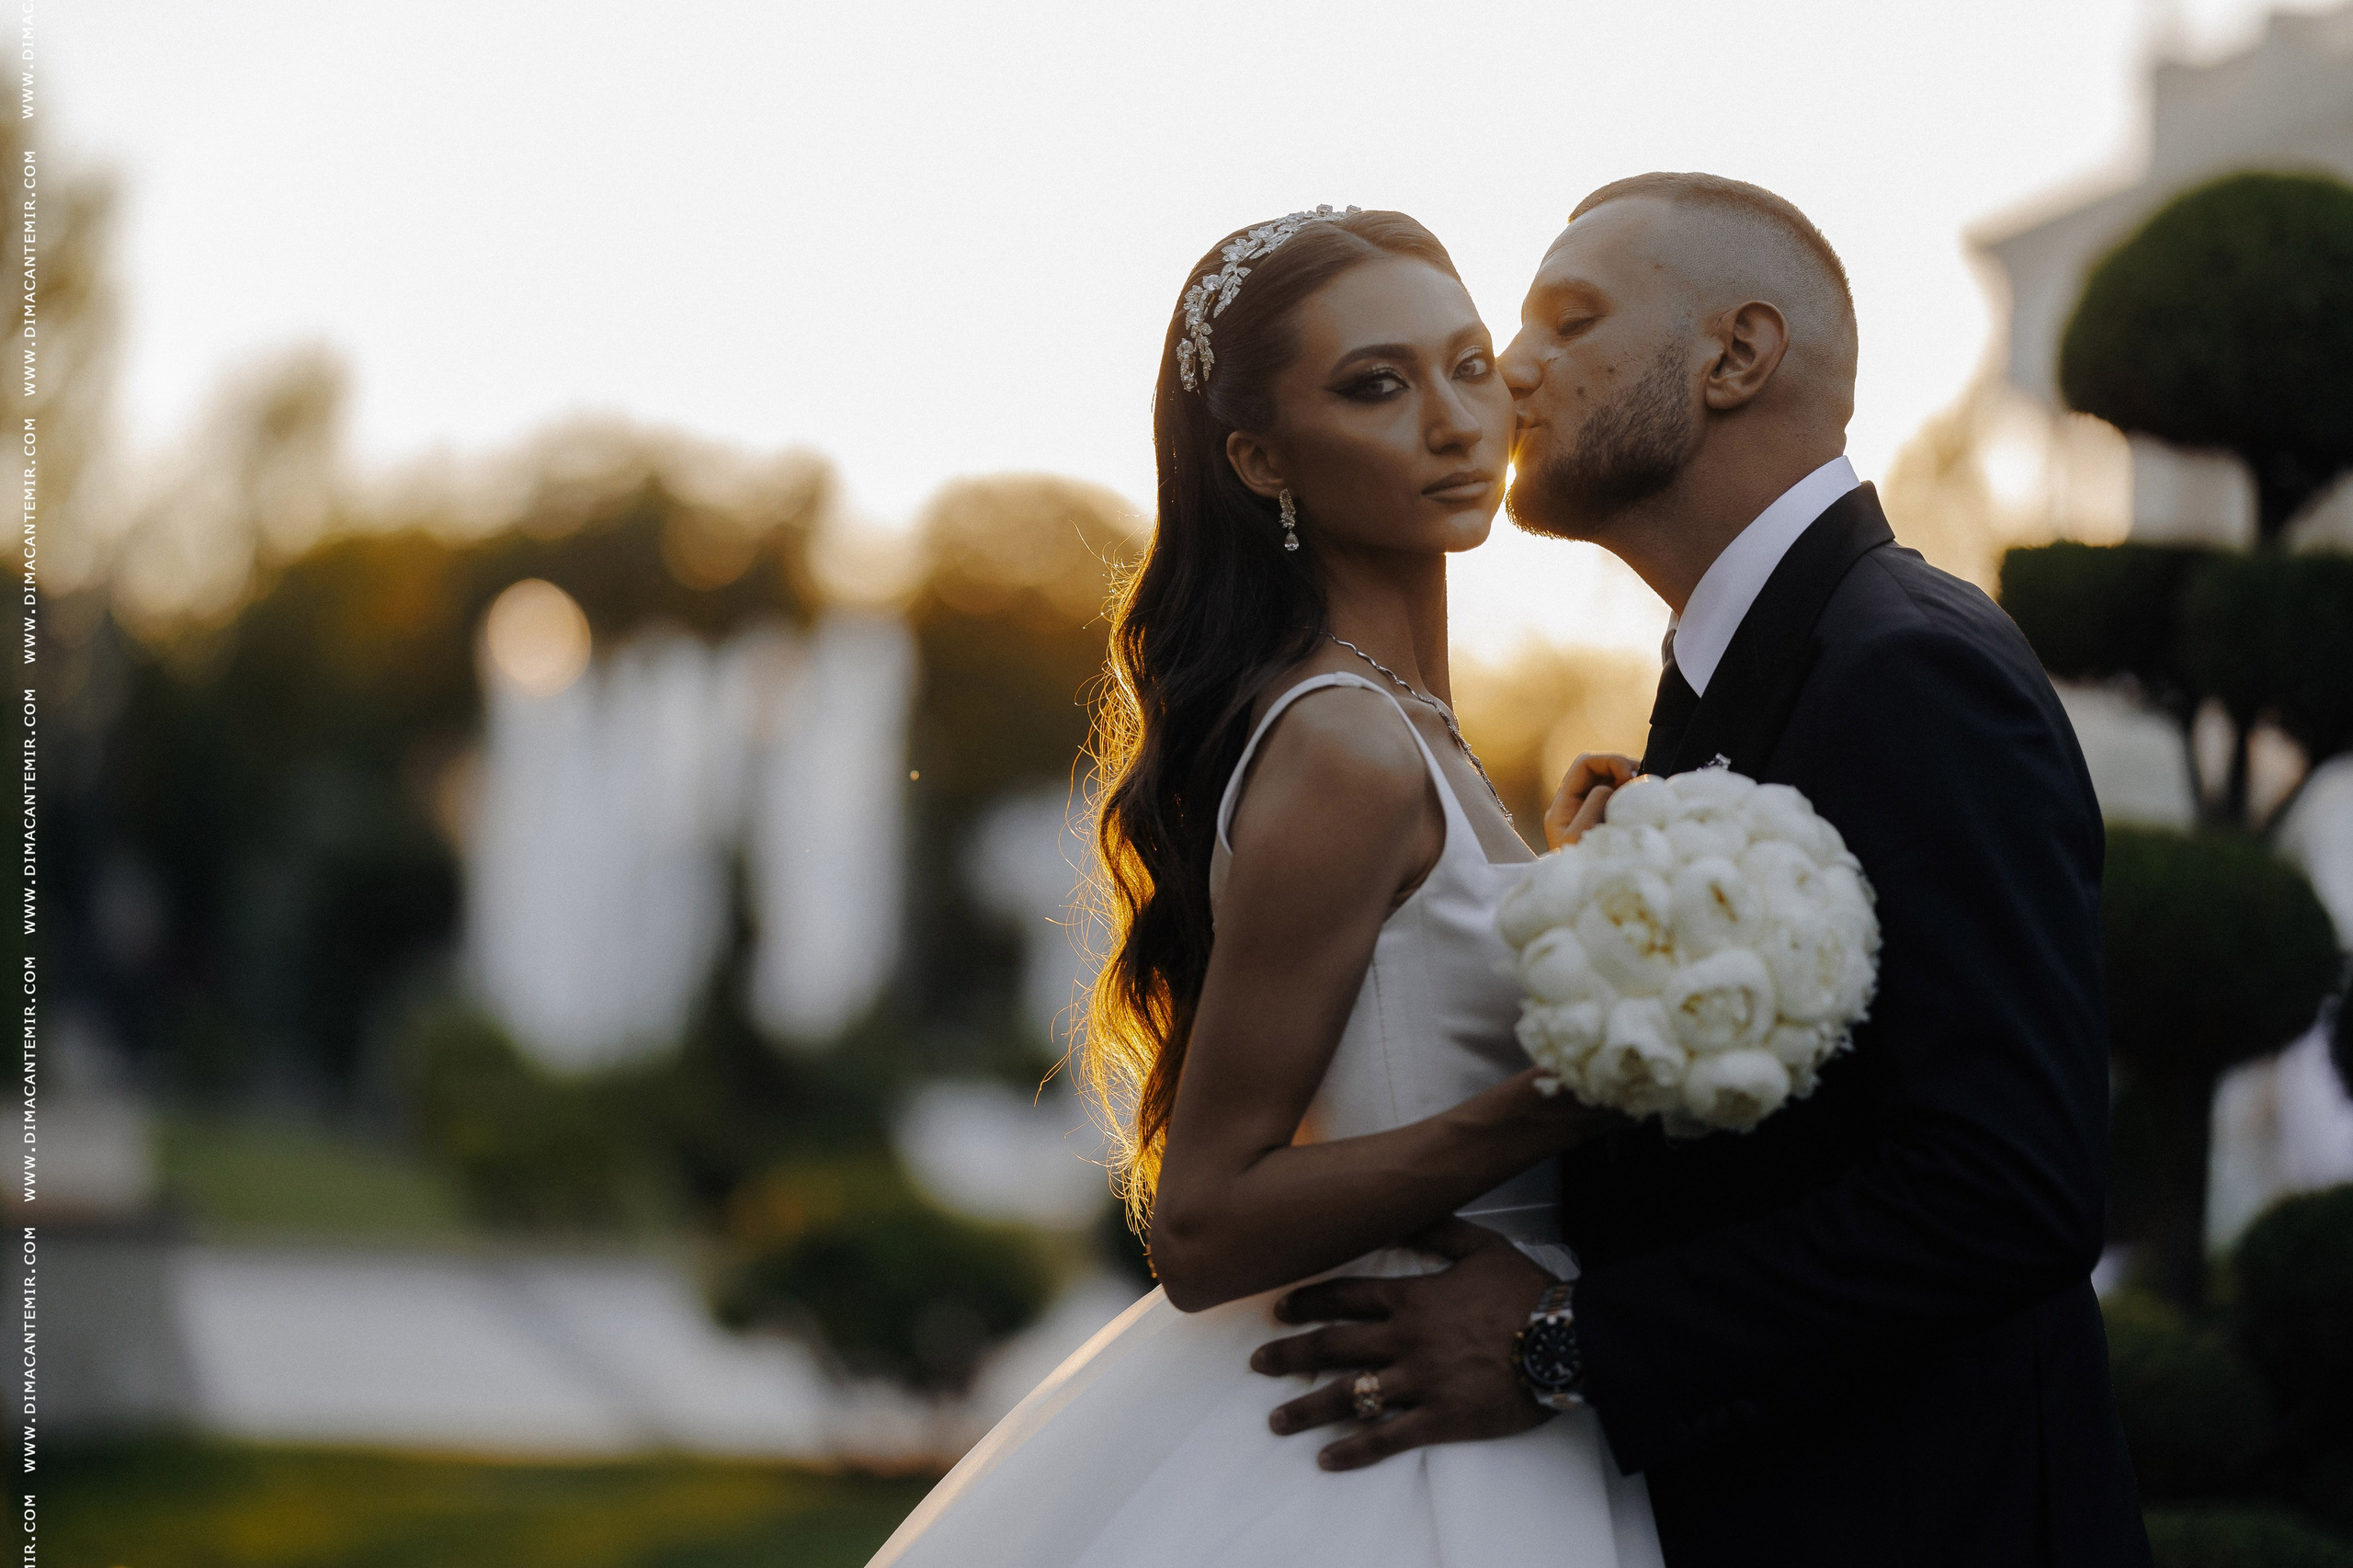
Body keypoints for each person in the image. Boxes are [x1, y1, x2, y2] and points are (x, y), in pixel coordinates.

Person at [1249, 174, 2154, 1567]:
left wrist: (1563, 1340)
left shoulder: (1910, 668)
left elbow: (2008, 1184)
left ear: (1734, 356)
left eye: (1571, 320)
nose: (1514, 368)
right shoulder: (1732, 675)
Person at [864, 206, 1663, 1566]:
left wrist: (1579, 897)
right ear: (1258, 457)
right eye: (1376, 384)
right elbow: (1205, 1218)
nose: (1455, 418)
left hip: (1500, 1385)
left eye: (1470, 366)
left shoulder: (1411, 730)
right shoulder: (1347, 743)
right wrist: (1545, 1110)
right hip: (1403, 1440)